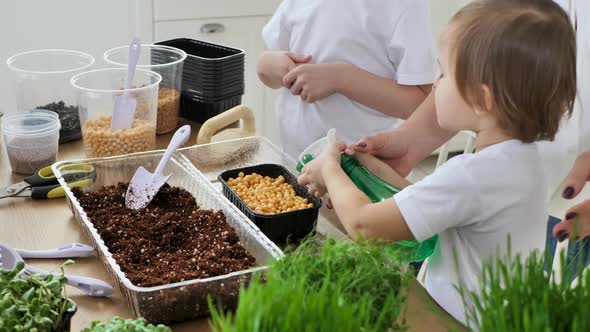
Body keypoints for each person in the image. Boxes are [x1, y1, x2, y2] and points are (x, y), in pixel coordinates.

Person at [298, 0, 576, 325]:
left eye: (442, 73)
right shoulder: (525, 161)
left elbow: (364, 226)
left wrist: (330, 169)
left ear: (481, 99)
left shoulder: (470, 174)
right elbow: (431, 200)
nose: (434, 84)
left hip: (455, 322)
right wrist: (364, 165)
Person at [257, 0, 435, 159]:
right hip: (293, 158)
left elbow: (420, 104)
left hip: (361, 167)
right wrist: (269, 64)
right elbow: (266, 67)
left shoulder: (406, 5)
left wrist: (341, 78)